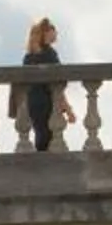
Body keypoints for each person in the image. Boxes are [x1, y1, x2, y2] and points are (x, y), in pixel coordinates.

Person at [21, 17, 74, 153]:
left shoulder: (28, 57)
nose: (56, 34)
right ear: (46, 32)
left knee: (41, 136)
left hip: (33, 102)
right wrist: (68, 110)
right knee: (48, 139)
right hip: (47, 102)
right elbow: (57, 86)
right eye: (53, 30)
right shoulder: (49, 55)